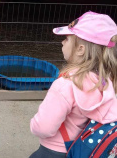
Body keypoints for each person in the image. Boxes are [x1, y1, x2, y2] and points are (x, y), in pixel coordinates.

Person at [30, 11, 117, 158]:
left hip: (53, 151)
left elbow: (43, 128)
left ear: (80, 49)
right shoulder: (106, 81)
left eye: (67, 39)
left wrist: (34, 124)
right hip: (86, 150)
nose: (63, 42)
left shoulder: (65, 85)